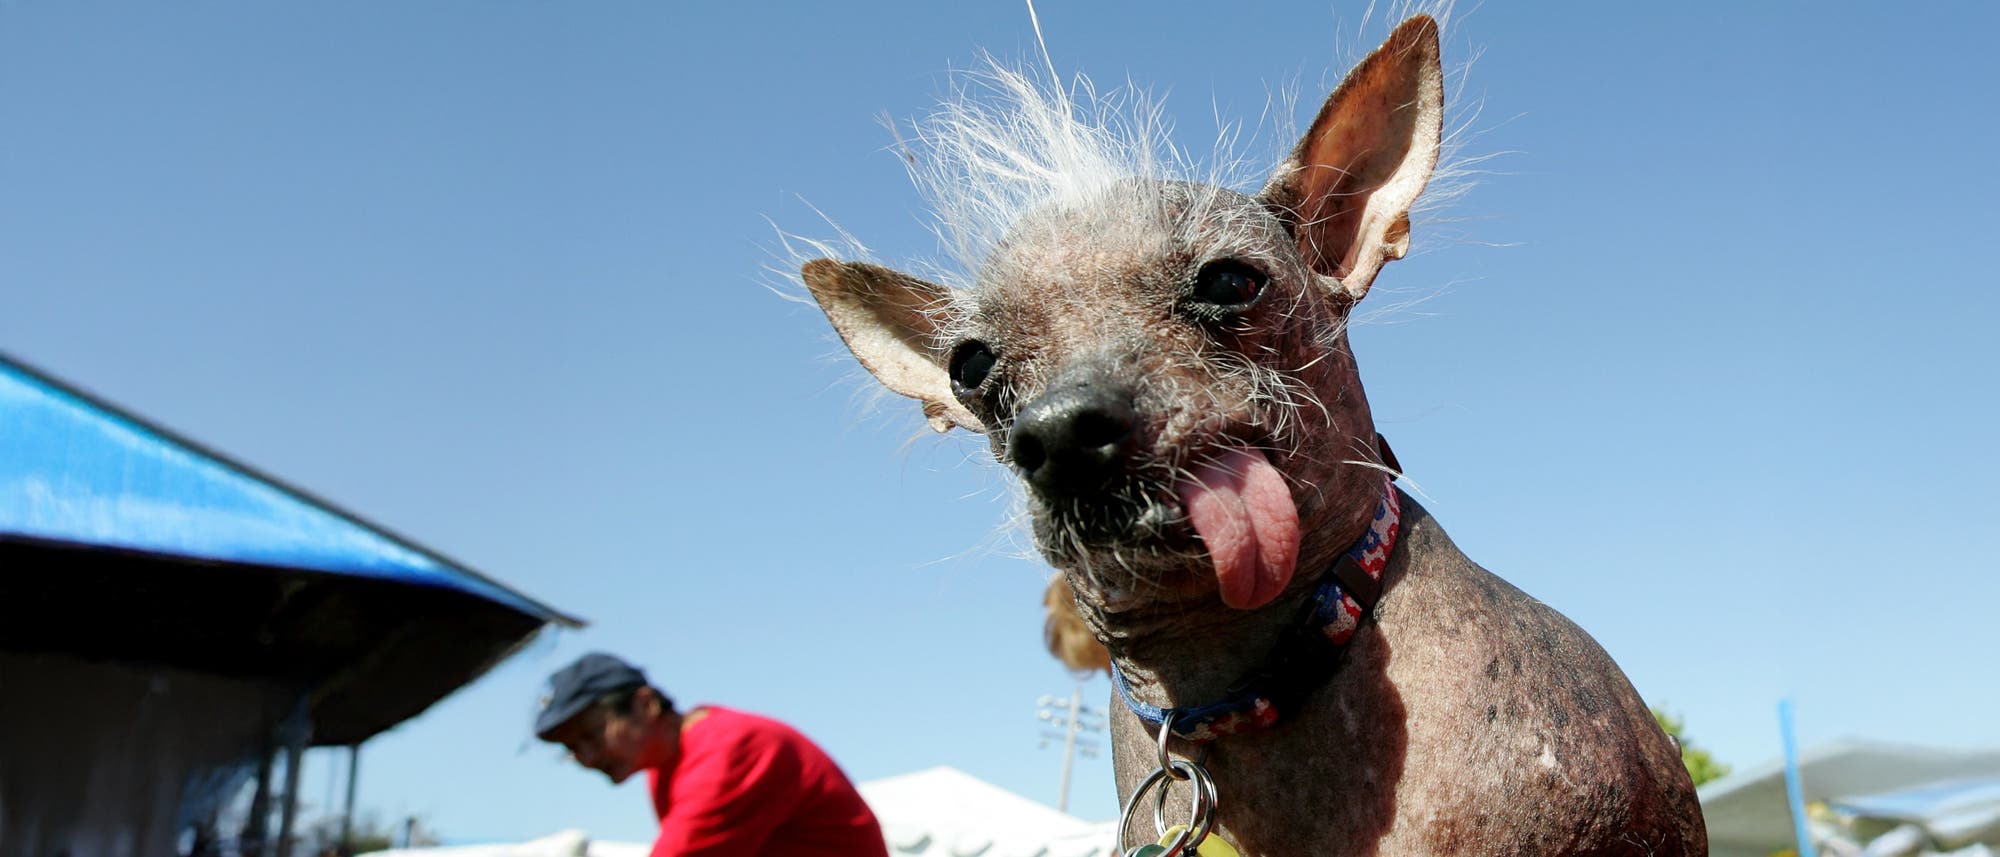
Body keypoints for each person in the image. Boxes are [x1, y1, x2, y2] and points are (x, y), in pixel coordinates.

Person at [534, 652, 889, 857]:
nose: (586, 758)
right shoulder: (665, 766)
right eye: (571, 748)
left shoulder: (731, 750)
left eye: (591, 735)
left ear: (645, 704)